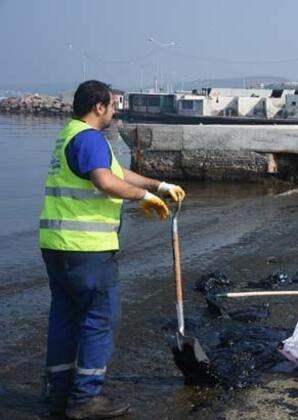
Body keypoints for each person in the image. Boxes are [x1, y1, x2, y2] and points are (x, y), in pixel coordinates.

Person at [39, 80, 185, 418]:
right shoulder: (90, 138)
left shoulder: (69, 134)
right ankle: (85, 398)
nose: (116, 110)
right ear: (99, 107)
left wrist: (158, 185)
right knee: (99, 317)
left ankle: (59, 392)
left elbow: (116, 173)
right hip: (87, 249)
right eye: (113, 105)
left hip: (56, 246)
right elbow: (105, 182)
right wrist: (143, 197)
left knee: (63, 316)